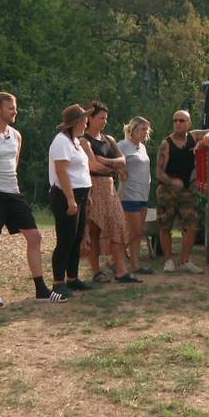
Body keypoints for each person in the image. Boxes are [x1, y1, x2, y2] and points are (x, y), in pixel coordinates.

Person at [0, 92, 66, 306]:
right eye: (10, 108)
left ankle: (41, 289)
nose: (15, 111)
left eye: (15, 107)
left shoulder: (17, 135)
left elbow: (14, 164)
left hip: (13, 192)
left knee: (35, 236)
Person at [80, 101, 142, 283]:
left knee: (118, 225)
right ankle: (96, 271)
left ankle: (121, 271)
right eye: (101, 118)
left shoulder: (109, 140)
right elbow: (94, 166)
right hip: (92, 186)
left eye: (106, 118)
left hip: (109, 187)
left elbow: (122, 161)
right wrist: (112, 166)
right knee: (93, 230)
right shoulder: (84, 141)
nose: (104, 121)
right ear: (90, 118)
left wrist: (107, 163)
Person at [156, 110, 209, 274]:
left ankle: (185, 260)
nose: (178, 123)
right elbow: (159, 172)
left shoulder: (193, 136)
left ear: (189, 123)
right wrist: (171, 181)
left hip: (186, 190)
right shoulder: (166, 143)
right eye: (175, 120)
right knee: (165, 226)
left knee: (192, 225)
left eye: (182, 120)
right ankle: (169, 260)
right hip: (166, 189)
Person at [49, 104, 95, 295]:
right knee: (65, 239)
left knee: (76, 238)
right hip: (66, 195)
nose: (86, 122)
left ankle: (73, 278)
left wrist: (87, 197)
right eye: (84, 119)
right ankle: (58, 282)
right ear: (76, 122)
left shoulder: (75, 141)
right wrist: (70, 199)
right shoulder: (61, 141)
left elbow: (81, 170)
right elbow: (62, 171)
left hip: (81, 195)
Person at [118, 116, 154, 275]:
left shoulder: (143, 148)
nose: (145, 132)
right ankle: (115, 258)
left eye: (147, 129)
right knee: (135, 230)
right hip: (129, 194)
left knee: (137, 232)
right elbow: (114, 162)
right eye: (142, 129)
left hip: (143, 195)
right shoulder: (123, 145)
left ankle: (135, 265)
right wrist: (120, 171)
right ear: (132, 130)